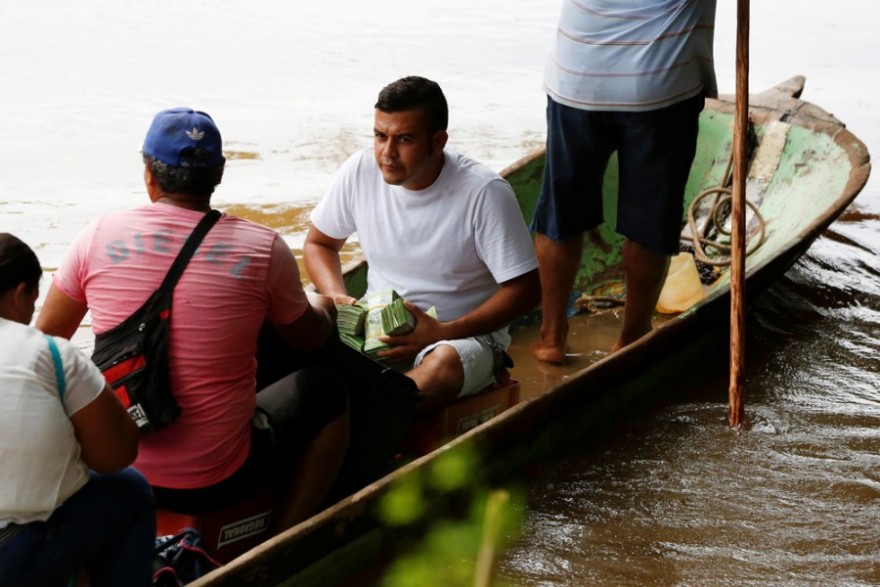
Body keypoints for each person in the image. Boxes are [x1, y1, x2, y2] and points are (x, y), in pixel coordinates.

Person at [37, 108, 350, 531]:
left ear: (149, 174)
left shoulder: (96, 235)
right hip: (217, 477)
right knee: (326, 391)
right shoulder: (263, 249)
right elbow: (308, 339)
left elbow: (42, 346)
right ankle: (284, 538)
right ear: (218, 174)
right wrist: (323, 305)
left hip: (114, 462)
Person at [304, 76, 540, 414]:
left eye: (404, 139)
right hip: (376, 325)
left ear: (437, 141)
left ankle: (374, 419)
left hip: (461, 338)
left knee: (442, 365)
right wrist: (336, 296)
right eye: (380, 136)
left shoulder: (484, 192)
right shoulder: (358, 171)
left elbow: (527, 290)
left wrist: (441, 331)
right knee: (307, 309)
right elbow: (319, 243)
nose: (387, 153)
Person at [529, 0, 718, 364]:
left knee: (559, 212)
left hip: (578, 77)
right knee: (650, 219)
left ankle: (551, 337)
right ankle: (633, 337)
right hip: (660, 84)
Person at [0, 233, 154, 587]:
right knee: (129, 489)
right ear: (21, 292)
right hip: (10, 558)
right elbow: (116, 455)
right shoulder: (53, 355)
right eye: (32, 303)